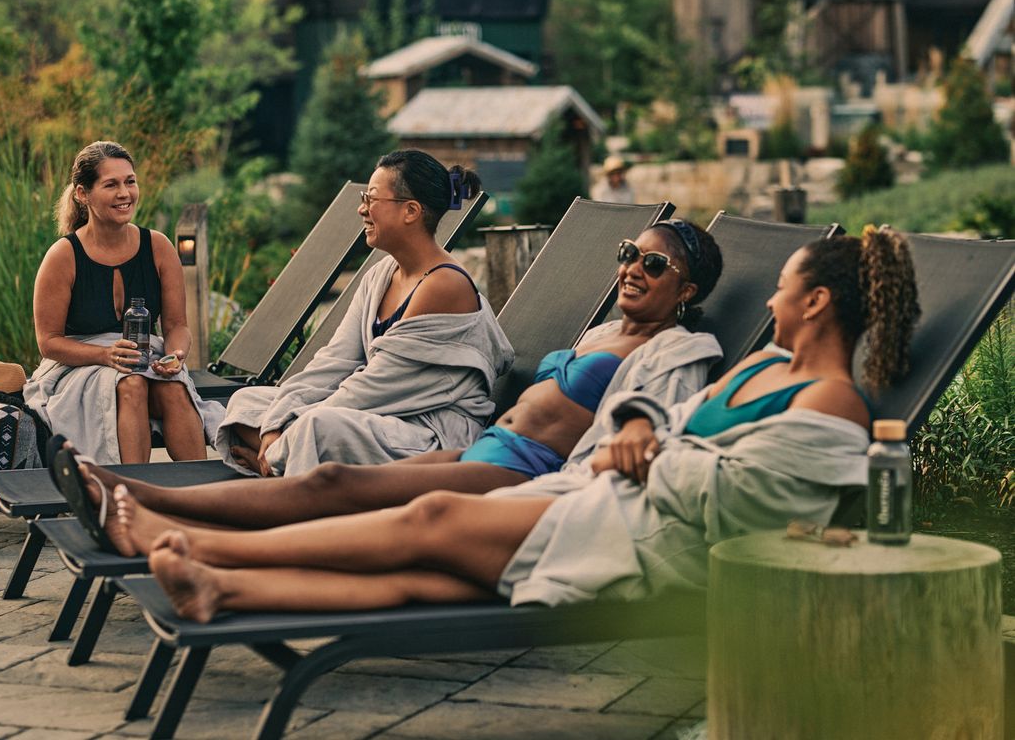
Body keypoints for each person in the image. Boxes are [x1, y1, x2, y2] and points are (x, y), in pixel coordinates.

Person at [99, 224, 921, 620]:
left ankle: (196, 544)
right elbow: (659, 411)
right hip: (598, 496)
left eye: (783, 286)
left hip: (642, 539)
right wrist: (635, 425)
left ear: (813, 302)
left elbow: (738, 501)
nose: (771, 299)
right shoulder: (768, 367)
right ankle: (220, 584)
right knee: (423, 576)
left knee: (424, 519)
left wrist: (639, 452)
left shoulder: (832, 409)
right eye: (628, 255)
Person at [57, 219, 725, 543]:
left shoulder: (681, 347)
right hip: (485, 447)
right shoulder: (600, 333)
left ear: (686, 290)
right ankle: (124, 493)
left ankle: (143, 510)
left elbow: (659, 411)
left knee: (334, 482)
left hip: (527, 468)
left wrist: (636, 426)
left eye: (654, 263)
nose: (633, 267)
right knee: (329, 481)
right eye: (628, 253)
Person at [216, 150, 513, 477]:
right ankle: (281, 462)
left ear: (410, 211)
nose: (361, 209)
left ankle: (278, 468)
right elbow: (334, 361)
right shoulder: (381, 274)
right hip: (377, 418)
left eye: (371, 199)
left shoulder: (443, 286)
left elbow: (375, 387)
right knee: (247, 402)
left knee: (314, 427)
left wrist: (291, 426)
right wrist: (276, 423)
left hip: (428, 434)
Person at [25, 141, 223, 464]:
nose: (125, 193)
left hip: (146, 360)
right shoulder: (63, 257)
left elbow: (176, 326)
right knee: (131, 385)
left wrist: (175, 355)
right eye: (111, 184)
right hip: (81, 365)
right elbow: (48, 343)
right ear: (82, 194)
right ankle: (132, 498)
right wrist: (105, 355)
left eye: (130, 181)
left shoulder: (158, 248)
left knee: (173, 388)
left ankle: (200, 498)